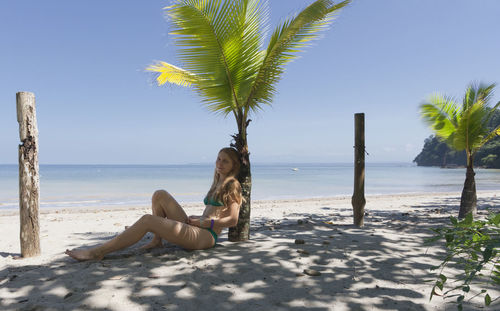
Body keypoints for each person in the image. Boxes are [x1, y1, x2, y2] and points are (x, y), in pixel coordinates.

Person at [65, 147, 243, 261]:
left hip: (206, 236)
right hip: (200, 227)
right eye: (218, 159)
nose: (219, 163)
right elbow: (214, 210)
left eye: (225, 160)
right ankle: (157, 241)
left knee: (147, 220)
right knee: (160, 194)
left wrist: (207, 222)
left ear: (233, 165)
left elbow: (233, 220)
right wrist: (201, 217)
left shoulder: (232, 185)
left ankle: (96, 252)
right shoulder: (217, 182)